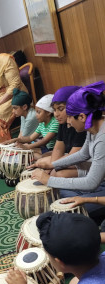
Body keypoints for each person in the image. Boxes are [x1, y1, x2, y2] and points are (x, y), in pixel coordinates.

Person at [31, 81, 105, 217]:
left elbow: (91, 182)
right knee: (58, 194)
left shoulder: (102, 137)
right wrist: (53, 164)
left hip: (99, 187)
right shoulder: (92, 126)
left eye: (70, 117)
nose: (68, 122)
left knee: (65, 211)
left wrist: (48, 180)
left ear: (82, 117)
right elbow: (83, 154)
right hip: (97, 184)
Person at [29, 86, 86, 177]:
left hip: (82, 162)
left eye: (60, 109)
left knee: (58, 173)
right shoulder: (63, 124)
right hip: (71, 158)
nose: (56, 114)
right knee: (42, 162)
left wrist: (53, 166)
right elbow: (58, 148)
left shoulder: (81, 126)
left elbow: (74, 156)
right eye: (54, 110)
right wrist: (53, 165)